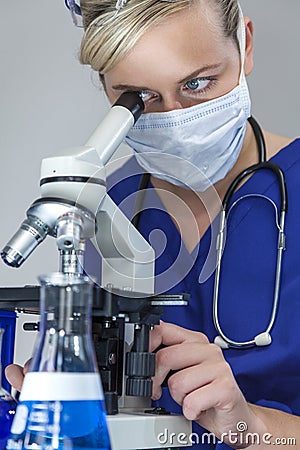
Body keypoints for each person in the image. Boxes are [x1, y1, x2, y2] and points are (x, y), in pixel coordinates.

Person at [6, 0, 300, 448]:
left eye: (199, 82)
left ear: (246, 45)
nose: (174, 117)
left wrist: (251, 427)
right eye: (139, 97)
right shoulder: (112, 206)